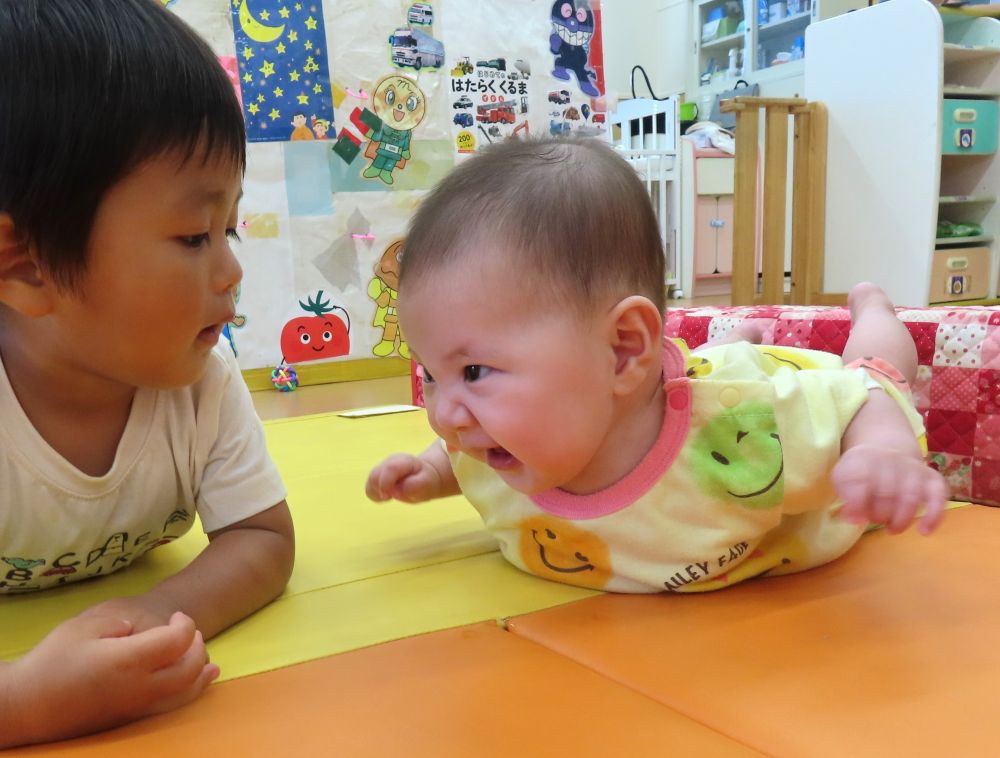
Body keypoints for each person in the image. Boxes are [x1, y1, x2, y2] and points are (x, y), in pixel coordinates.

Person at [367, 136, 947, 595]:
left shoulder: (753, 432)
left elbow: (857, 403)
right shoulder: (497, 437)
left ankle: (872, 308)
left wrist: (882, 454)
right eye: (432, 375)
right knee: (720, 361)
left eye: (472, 373)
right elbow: (460, 456)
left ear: (622, 349)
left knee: (873, 369)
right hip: (684, 378)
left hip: (768, 394)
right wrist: (431, 476)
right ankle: (730, 343)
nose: (443, 414)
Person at [0, 0, 294, 747]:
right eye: (195, 235)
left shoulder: (203, 379)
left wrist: (159, 615)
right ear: (27, 264)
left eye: (227, 228)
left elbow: (262, 537)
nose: (231, 268)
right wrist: (26, 703)